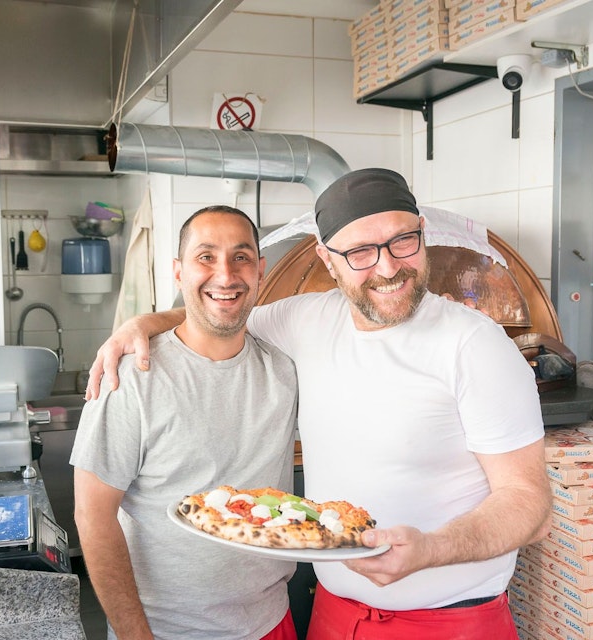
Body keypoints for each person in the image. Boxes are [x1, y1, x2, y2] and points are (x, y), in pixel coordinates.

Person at [85, 169, 551, 639]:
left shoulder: (475, 344)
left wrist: (432, 549)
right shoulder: (304, 320)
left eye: (402, 242)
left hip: (450, 622)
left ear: (422, 235)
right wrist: (141, 324)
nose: (388, 268)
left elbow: (530, 505)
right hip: (333, 617)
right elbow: (220, 312)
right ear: (327, 260)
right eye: (361, 252)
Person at [70, 205, 299, 640]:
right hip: (166, 631)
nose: (226, 275)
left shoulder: (283, 370)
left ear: (261, 271)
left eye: (241, 257)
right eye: (206, 257)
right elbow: (93, 516)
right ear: (178, 272)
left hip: (271, 621)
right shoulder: (131, 377)